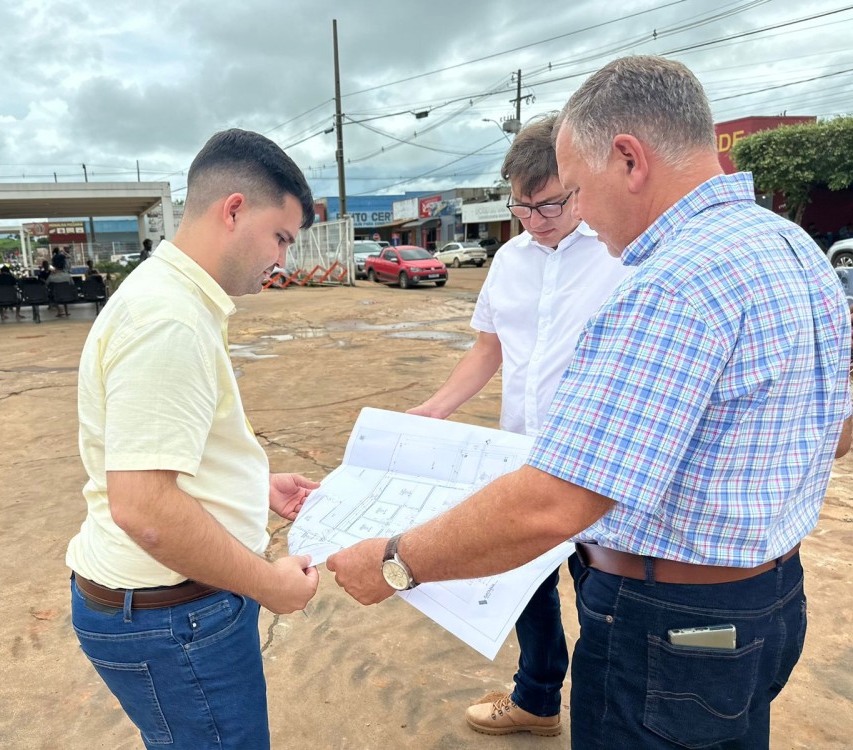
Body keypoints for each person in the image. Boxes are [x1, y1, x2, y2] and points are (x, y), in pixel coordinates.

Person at [326, 55, 852, 750]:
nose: (576, 215)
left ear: (629, 159)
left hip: (670, 624)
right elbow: (837, 431)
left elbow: (555, 503)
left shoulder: (670, 282)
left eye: (573, 190)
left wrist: (394, 560)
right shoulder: (795, 249)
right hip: (767, 603)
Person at [66, 128, 319, 750]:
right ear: (233, 210)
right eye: (281, 237)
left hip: (170, 607)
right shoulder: (169, 319)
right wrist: (271, 586)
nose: (283, 260)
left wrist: (250, 486)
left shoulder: (174, 299)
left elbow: (160, 458)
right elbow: (145, 507)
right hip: (174, 617)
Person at [406, 113, 629, 738]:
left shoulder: (620, 256)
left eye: (551, 203)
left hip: (594, 463)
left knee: (603, 597)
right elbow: (489, 348)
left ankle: (607, 717)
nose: (536, 219)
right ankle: (537, 699)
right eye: (523, 207)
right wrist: (436, 407)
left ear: (580, 184)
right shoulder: (508, 259)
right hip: (520, 458)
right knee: (524, 588)